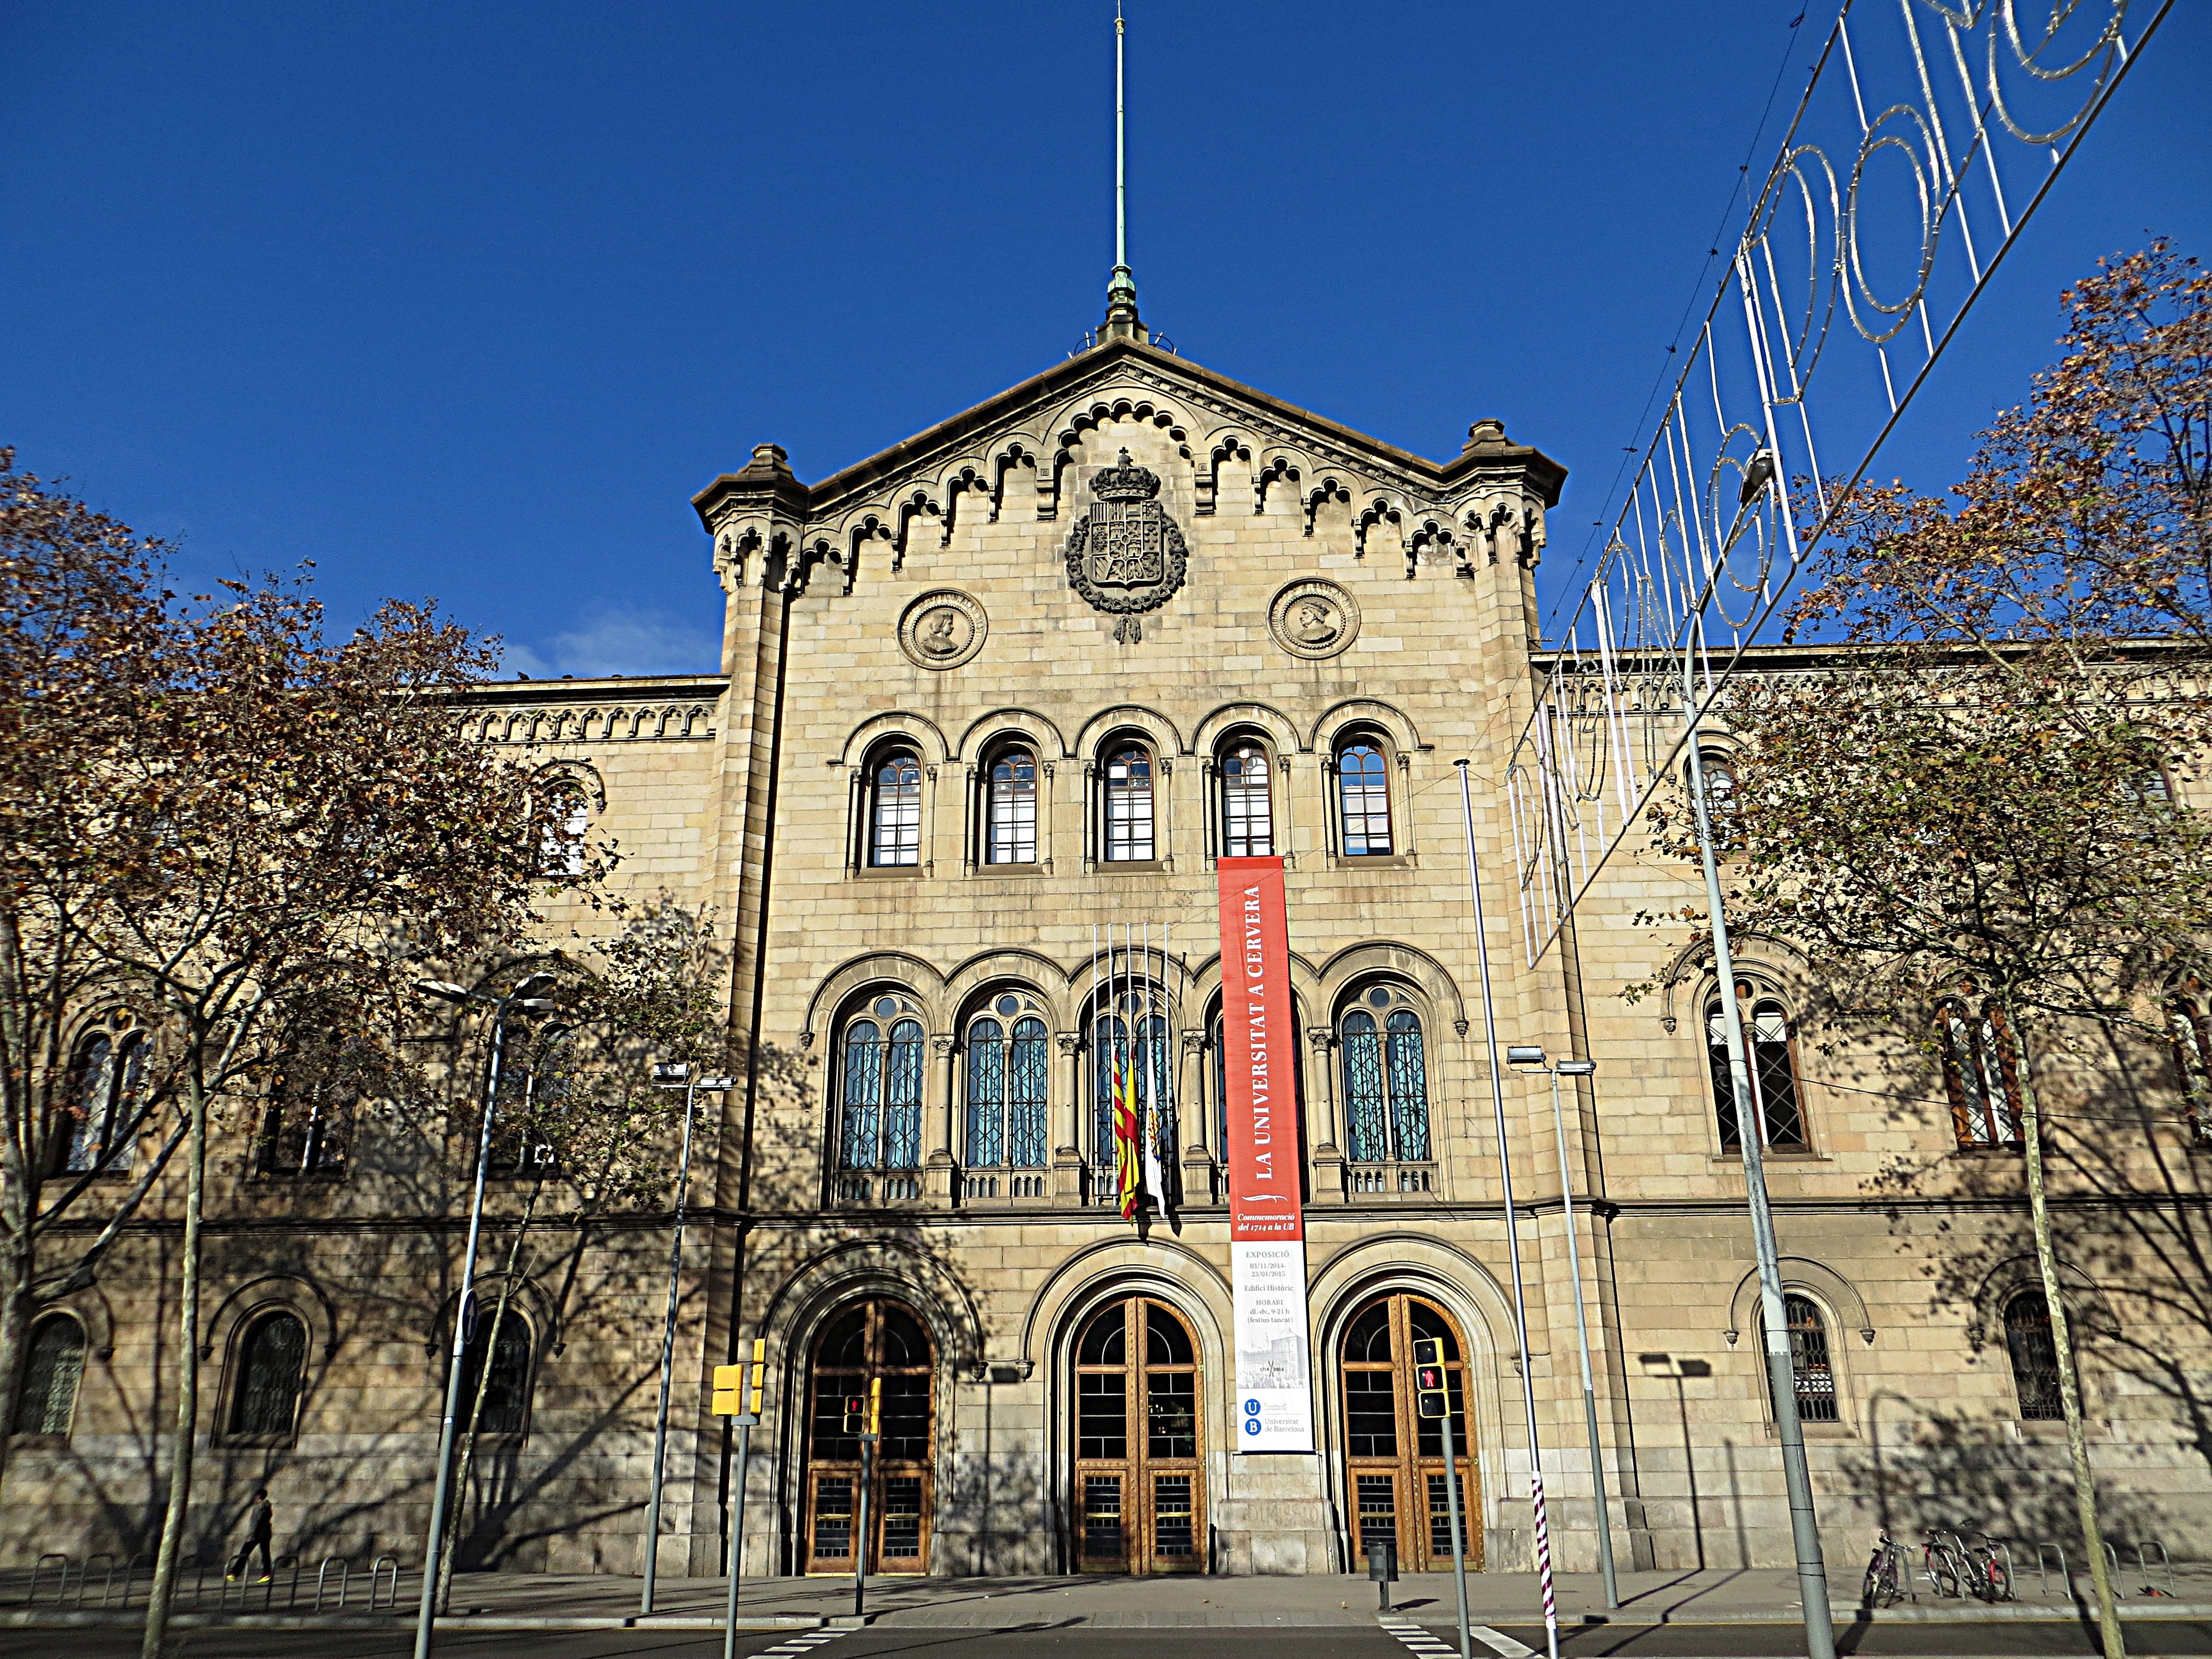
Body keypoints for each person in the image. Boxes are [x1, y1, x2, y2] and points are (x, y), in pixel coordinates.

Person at [227, 1488, 274, 1583]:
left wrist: (251, 1536)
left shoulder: (259, 1507)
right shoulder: (267, 1506)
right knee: (265, 1554)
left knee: (244, 1553)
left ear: (259, 1496)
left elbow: (255, 1522)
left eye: (255, 1496)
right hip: (266, 1533)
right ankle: (267, 1574)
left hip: (257, 1534)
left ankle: (234, 1573)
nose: (254, 1498)